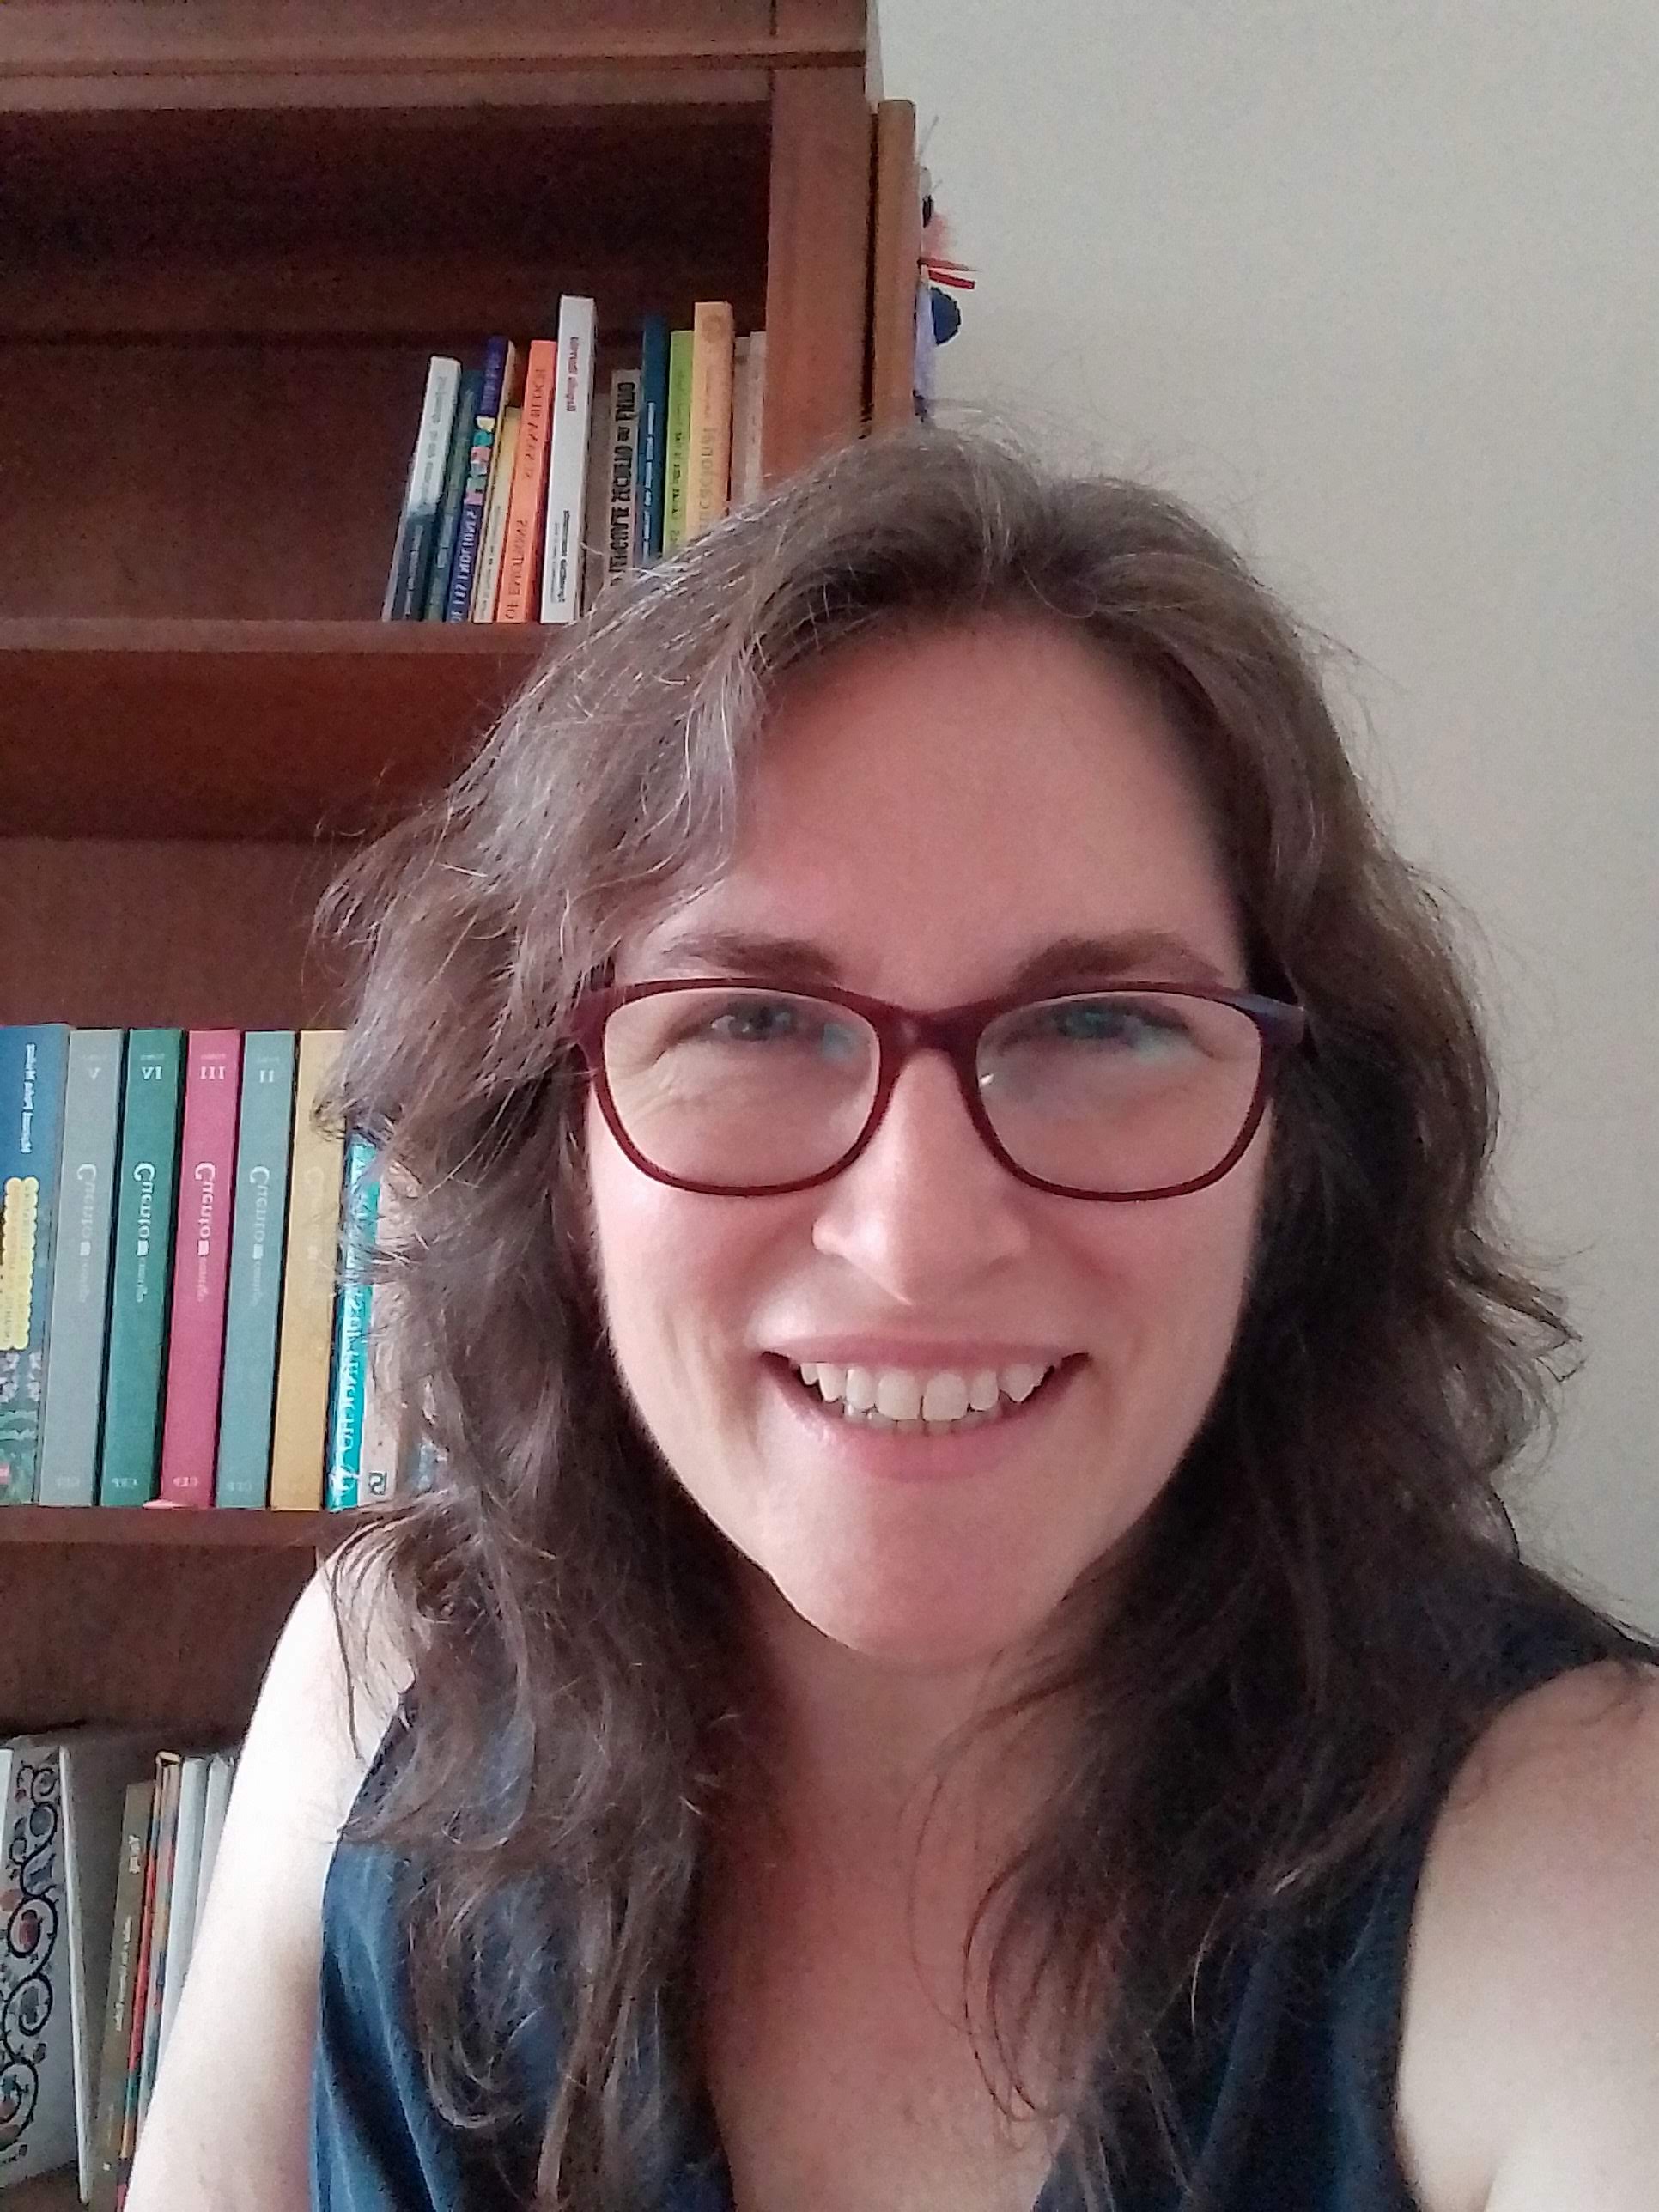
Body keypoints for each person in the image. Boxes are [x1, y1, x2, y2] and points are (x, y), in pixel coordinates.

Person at [129, 426, 1659, 2212]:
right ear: (557, 1135)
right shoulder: (387, 1679)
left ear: (1295, 1154)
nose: (919, 1240)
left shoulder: (1571, 1843)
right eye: (754, 1021)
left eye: (1102, 1025)